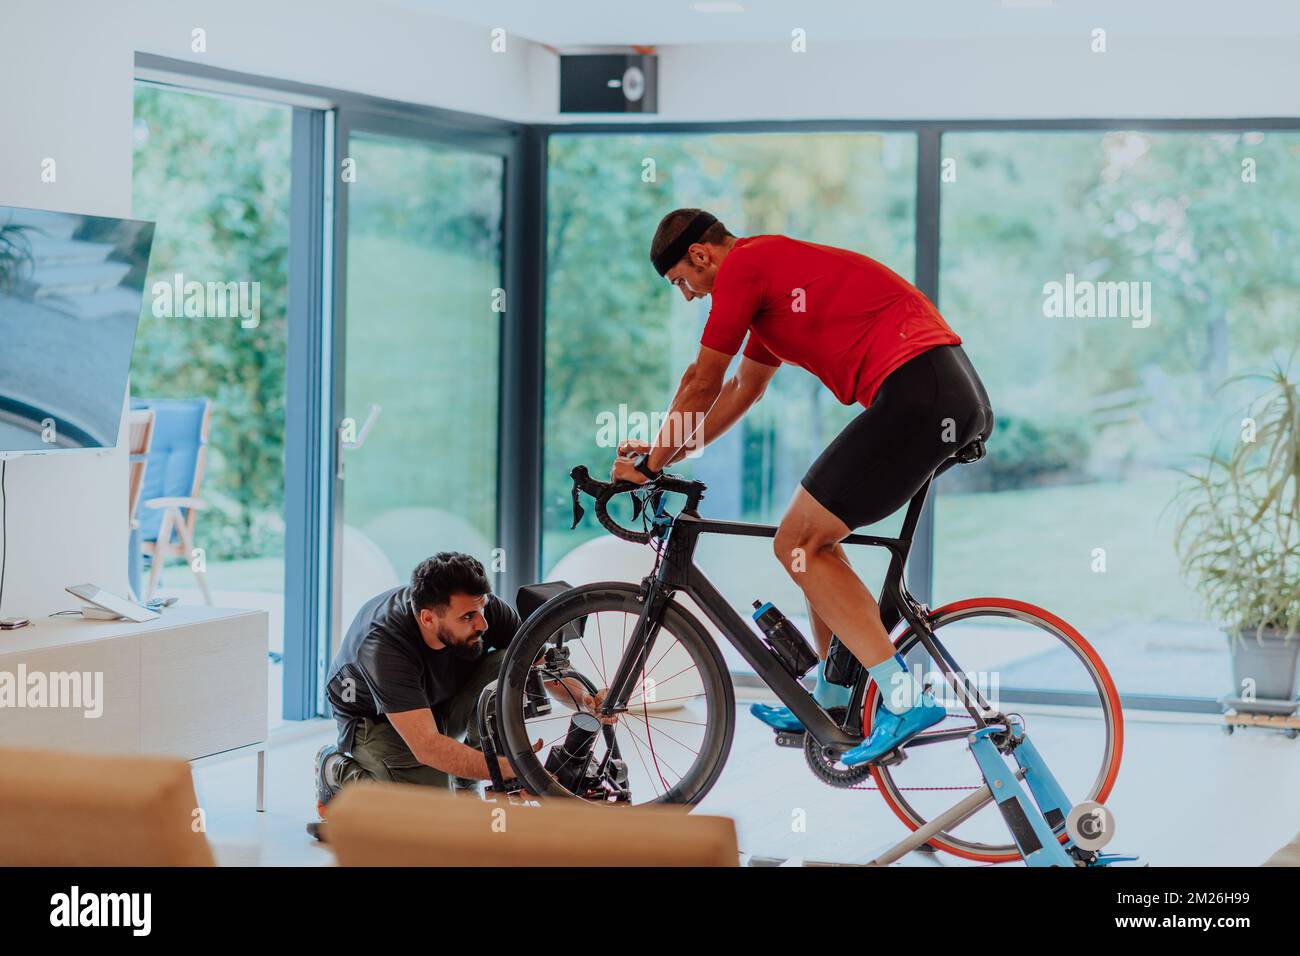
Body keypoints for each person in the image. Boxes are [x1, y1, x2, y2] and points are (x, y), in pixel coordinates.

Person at [611, 209, 994, 767]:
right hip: (934, 390)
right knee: (811, 544)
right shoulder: (767, 284)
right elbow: (743, 390)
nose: (689, 295)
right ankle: (834, 697)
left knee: (800, 542)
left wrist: (650, 465)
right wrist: (667, 453)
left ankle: (903, 696)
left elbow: (702, 381)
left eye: (681, 283)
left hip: (921, 392)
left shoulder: (744, 266)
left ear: (700, 255)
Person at [312, 552, 604, 824]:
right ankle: (334, 769)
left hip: (439, 703)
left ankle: (466, 782)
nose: (483, 624)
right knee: (425, 816)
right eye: (467, 617)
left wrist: (586, 699)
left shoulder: (484, 613)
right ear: (428, 618)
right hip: (378, 722)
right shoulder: (382, 646)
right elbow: (427, 746)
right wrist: (512, 769)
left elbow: (541, 667)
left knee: (512, 661)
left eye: (483, 607)